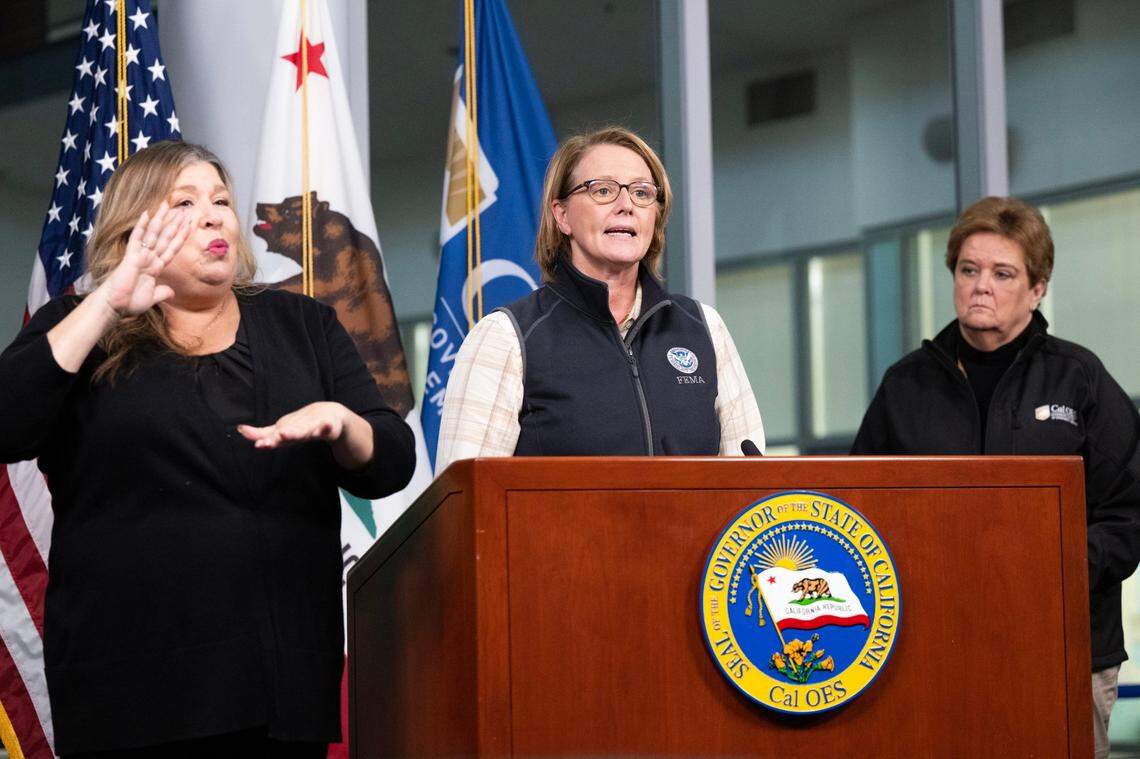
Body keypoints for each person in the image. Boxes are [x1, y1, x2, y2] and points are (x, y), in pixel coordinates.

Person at [0, 141, 415, 757]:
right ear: (137, 227)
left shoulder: (302, 326)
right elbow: (8, 423)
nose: (215, 215)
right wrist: (109, 299)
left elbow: (391, 461)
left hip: (280, 685)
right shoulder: (83, 324)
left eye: (221, 200)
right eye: (185, 203)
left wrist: (342, 422)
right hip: (129, 689)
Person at [851, 196, 1140, 759]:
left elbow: (1128, 513)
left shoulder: (1079, 380)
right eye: (968, 270)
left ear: (1037, 289)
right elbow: (862, 509)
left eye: (1002, 273)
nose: (980, 285)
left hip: (1063, 650)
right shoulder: (905, 386)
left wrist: (1050, 568)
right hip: (931, 650)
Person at [436, 126, 764, 469]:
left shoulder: (704, 328)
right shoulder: (506, 338)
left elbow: (751, 485)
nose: (626, 206)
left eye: (641, 192)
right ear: (562, 215)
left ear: (655, 216)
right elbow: (465, 503)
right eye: (603, 190)